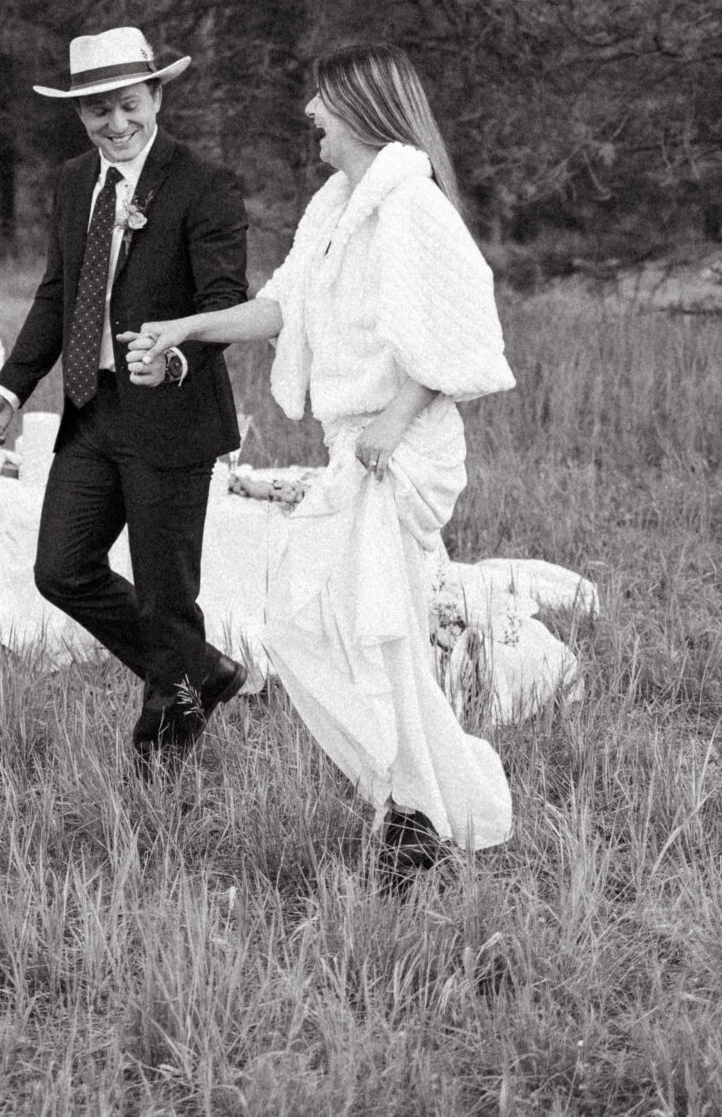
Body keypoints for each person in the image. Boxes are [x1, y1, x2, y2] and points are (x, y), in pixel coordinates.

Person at [126, 44, 517, 881]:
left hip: (397, 449)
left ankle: (414, 824)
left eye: (322, 100)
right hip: (355, 449)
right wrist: (184, 329)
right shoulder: (336, 204)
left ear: (360, 109)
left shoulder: (411, 204)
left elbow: (463, 326)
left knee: (375, 636)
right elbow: (281, 304)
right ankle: (413, 804)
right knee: (314, 628)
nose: (309, 111)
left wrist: (396, 416)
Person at [0, 27, 253, 771]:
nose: (115, 125)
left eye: (128, 106)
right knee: (61, 568)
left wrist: (177, 355)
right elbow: (58, 294)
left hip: (173, 412)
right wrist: (9, 387)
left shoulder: (203, 183)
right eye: (98, 112)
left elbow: (225, 300)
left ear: (156, 96)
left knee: (164, 597)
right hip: (92, 409)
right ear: (79, 114)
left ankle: (161, 758)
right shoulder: (69, 183)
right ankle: (200, 672)